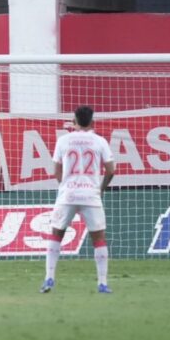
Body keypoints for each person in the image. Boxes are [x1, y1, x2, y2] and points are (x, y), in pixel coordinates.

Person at [41, 106, 116, 294]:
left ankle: (49, 278)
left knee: (56, 234)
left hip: (68, 194)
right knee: (98, 238)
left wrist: (64, 185)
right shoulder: (100, 141)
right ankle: (102, 283)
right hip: (91, 195)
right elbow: (111, 169)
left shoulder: (63, 140)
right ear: (93, 122)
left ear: (74, 121)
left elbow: (56, 169)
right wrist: (100, 189)